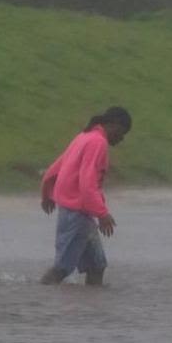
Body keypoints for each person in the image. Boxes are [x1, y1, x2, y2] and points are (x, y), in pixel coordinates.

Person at [39, 107, 132, 286]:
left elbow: (57, 166)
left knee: (96, 266)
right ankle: (40, 300)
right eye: (122, 132)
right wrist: (102, 213)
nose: (121, 138)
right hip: (76, 213)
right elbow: (88, 182)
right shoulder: (97, 142)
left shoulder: (84, 136)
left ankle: (92, 309)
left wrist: (46, 192)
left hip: (80, 212)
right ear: (113, 124)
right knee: (62, 268)